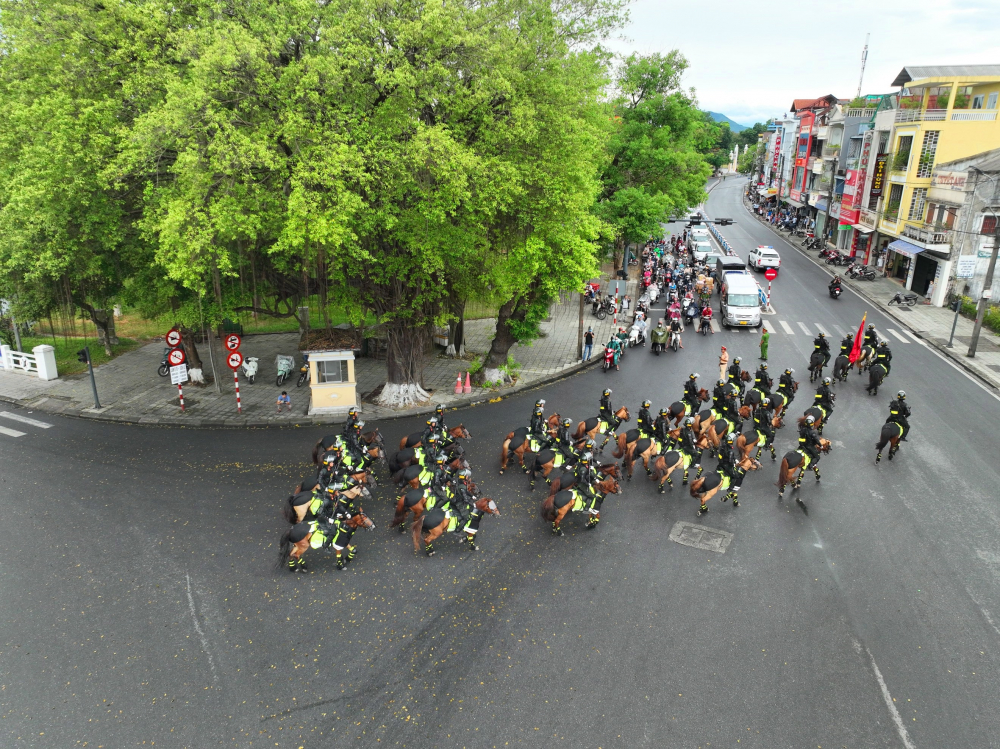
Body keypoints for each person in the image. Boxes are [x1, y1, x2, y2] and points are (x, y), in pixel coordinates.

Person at [676, 416, 702, 484]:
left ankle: (685, 477)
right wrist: (693, 445)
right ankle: (692, 464)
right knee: (696, 454)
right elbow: (690, 442)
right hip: (687, 446)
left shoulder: (683, 429)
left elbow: (680, 438)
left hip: (682, 445)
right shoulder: (689, 433)